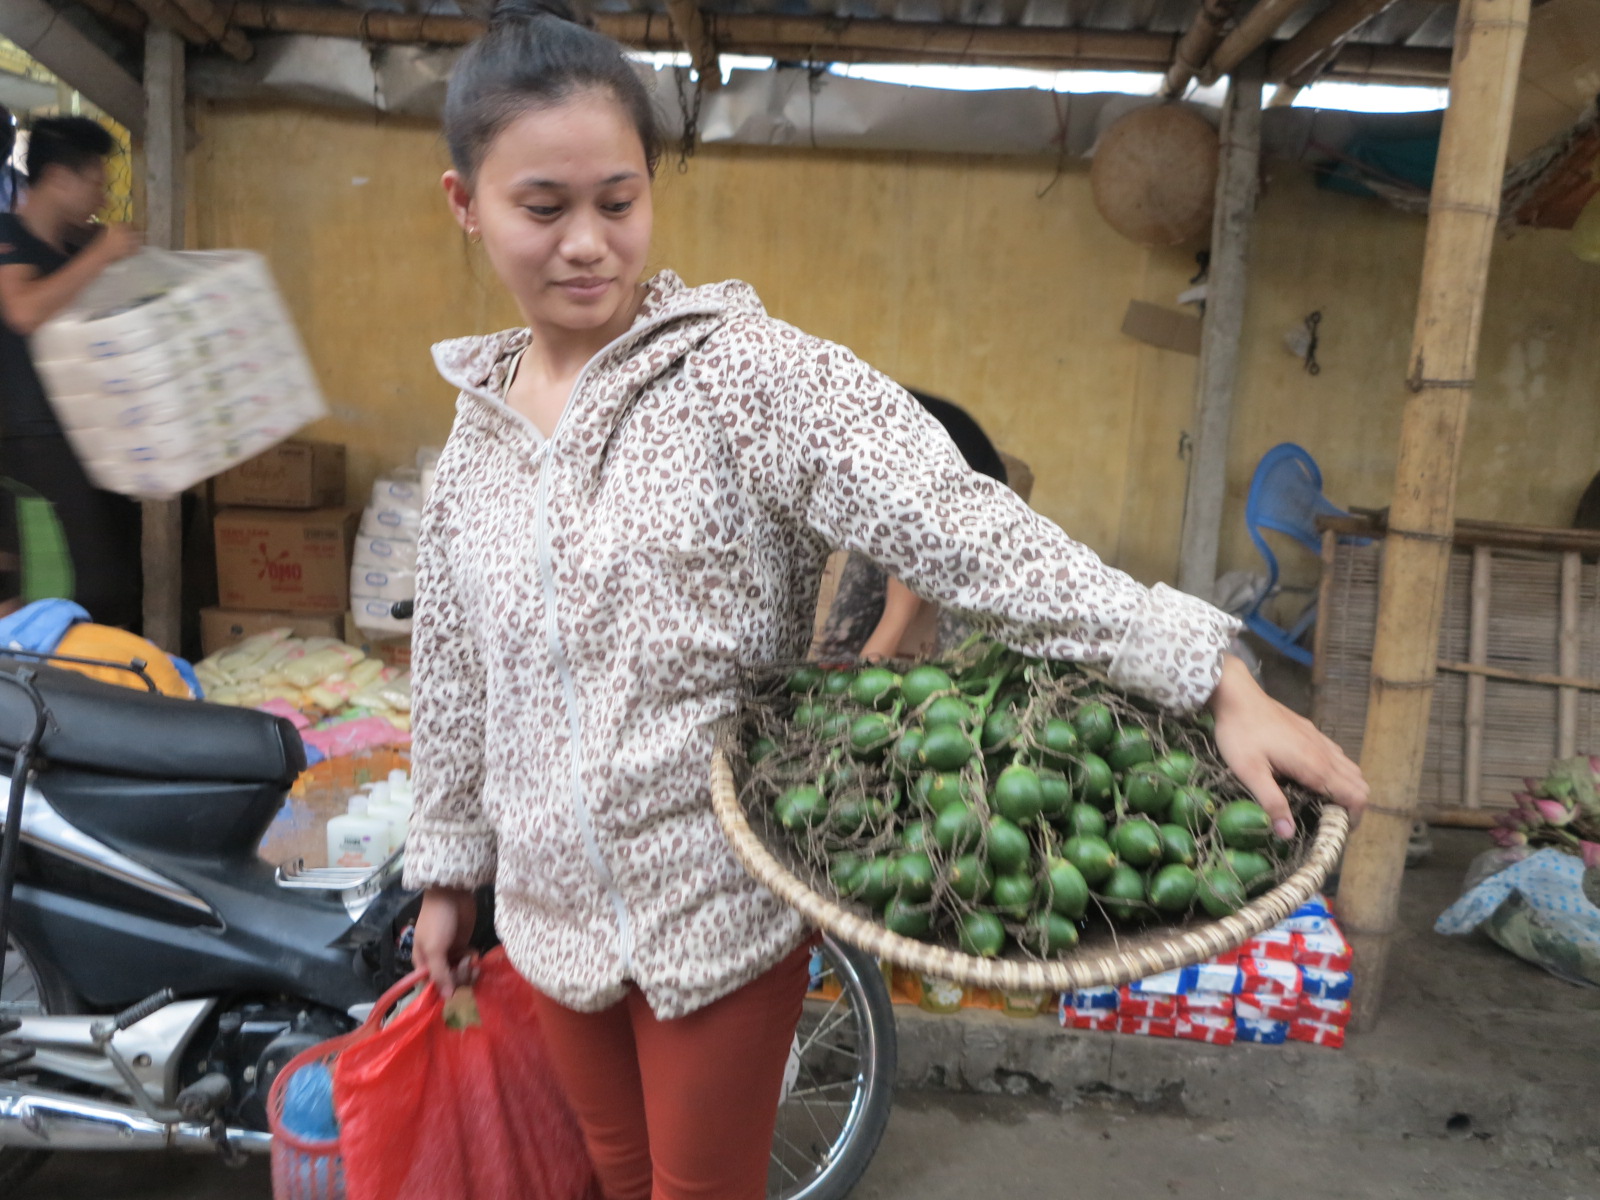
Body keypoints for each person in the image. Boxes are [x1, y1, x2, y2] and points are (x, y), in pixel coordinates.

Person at [404, 4, 1368, 1196]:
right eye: (543, 208)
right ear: (466, 204)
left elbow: (964, 528)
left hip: (716, 900)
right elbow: (455, 668)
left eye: (619, 200)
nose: (589, 244)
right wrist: (448, 873)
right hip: (546, 906)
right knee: (611, 1172)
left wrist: (1210, 675)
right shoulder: (476, 441)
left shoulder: (744, 377)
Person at [0, 117, 142, 629]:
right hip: (29, 438)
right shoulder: (8, 235)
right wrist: (102, 254)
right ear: (60, 178)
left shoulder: (77, 248)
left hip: (84, 432)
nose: (103, 199)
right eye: (96, 183)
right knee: (82, 583)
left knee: (115, 575)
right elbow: (23, 310)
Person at [815, 387, 1009, 662]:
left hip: (974, 502)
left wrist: (868, 666)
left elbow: (898, 612)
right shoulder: (851, 442)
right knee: (841, 635)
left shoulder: (876, 439)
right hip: (913, 495)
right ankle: (833, 664)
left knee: (959, 652)